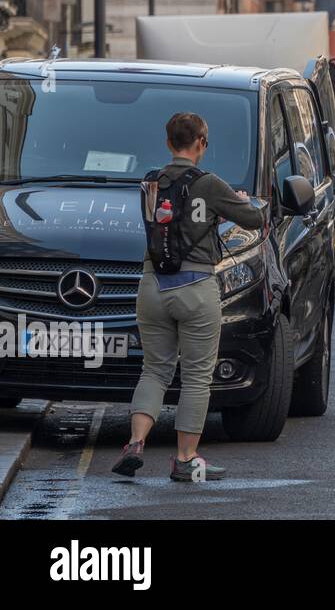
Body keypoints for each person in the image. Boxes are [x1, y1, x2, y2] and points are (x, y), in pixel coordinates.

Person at [111, 112, 268, 482]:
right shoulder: (209, 184)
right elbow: (254, 220)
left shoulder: (149, 184)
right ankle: (185, 459)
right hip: (196, 287)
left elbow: (165, 227)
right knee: (197, 377)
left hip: (152, 285)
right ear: (202, 143)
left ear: (168, 143)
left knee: (154, 370)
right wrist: (243, 201)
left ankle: (135, 442)